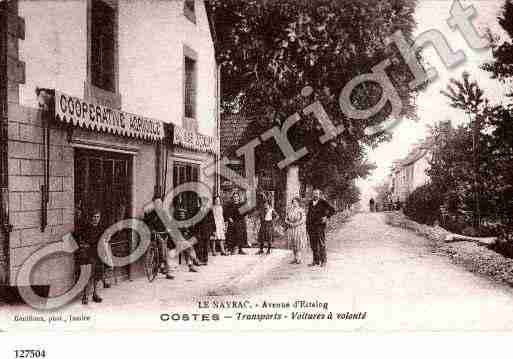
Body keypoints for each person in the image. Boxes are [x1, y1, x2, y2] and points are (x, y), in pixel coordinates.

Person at [79, 208, 105, 304]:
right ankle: (85, 296)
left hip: (98, 254)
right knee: (87, 275)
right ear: (90, 218)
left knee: (98, 274)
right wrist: (83, 245)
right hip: (88, 254)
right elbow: (81, 240)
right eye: (94, 217)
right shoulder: (86, 228)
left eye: (98, 217)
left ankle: (95, 294)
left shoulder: (101, 228)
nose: (96, 219)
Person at [306, 189, 335, 267]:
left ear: (319, 195)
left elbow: (332, 210)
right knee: (313, 243)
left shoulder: (323, 202)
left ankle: (323, 261)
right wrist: (307, 225)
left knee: (321, 243)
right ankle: (316, 260)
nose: (315, 195)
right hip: (311, 226)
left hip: (320, 226)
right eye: (314, 193)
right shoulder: (310, 202)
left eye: (317, 194)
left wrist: (326, 217)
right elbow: (309, 214)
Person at [285, 197, 308, 264]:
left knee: (298, 243)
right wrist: (289, 223)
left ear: (298, 203)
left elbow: (303, 219)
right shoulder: (290, 210)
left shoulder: (301, 210)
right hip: (291, 228)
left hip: (298, 228)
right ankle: (295, 258)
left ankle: (299, 258)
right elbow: (286, 219)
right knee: (293, 243)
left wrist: (296, 224)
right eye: (293, 202)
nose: (294, 203)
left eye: (296, 202)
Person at [192, 196, 215, 265]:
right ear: (200, 203)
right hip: (199, 230)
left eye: (205, 202)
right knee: (199, 245)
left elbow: (212, 221)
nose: (204, 203)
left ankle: (205, 259)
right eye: (202, 202)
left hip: (207, 230)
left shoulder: (209, 211)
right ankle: (199, 259)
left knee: (206, 245)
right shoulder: (196, 210)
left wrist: (213, 230)